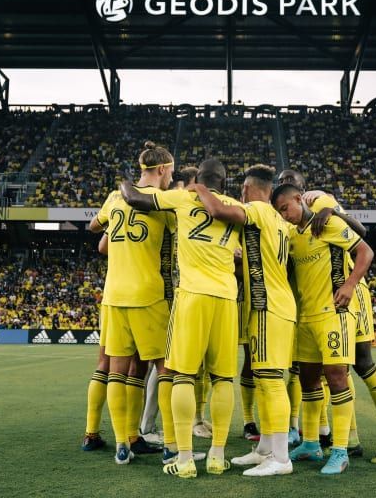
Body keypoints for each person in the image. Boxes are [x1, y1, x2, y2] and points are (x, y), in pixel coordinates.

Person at [121, 158, 241, 478]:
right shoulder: (236, 206)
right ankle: (217, 455)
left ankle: (185, 457)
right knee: (223, 379)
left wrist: (121, 180)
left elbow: (135, 198)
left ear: (197, 180)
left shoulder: (183, 197)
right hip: (227, 298)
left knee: (182, 377)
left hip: (192, 296)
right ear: (224, 183)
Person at [280, 169, 376, 464]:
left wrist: (331, 210)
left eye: (293, 186)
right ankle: (348, 439)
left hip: (351, 291)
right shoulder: (293, 224)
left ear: (302, 191)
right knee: (330, 370)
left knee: (358, 363)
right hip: (320, 300)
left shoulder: (320, 199)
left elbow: (361, 234)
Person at [191, 164, 297, 476]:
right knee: (265, 381)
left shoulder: (259, 210)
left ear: (249, 190)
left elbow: (218, 210)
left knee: (271, 381)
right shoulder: (278, 221)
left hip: (269, 307)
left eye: (243, 190)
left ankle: (281, 459)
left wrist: (198, 187)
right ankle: (265, 448)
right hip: (274, 304)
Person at [271, 182, 372, 475]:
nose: (285, 215)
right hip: (306, 317)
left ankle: (340, 450)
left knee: (337, 376)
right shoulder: (292, 236)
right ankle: (312, 442)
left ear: (298, 200)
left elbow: (365, 251)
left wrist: (350, 284)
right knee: (308, 380)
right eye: (279, 212)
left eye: (285, 208)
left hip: (334, 312)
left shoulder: (325, 224)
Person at [87, 141, 176, 465]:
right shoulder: (162, 200)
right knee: (165, 368)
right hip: (147, 296)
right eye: (171, 172)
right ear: (163, 169)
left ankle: (122, 444)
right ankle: (170, 444)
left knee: (117, 372)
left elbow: (94, 227)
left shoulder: (114, 199)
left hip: (113, 296)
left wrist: (113, 224)